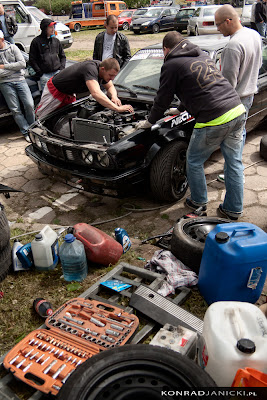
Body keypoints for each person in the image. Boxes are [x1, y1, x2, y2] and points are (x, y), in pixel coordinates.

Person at [135, 31, 246, 220]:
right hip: (237, 110)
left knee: (193, 161)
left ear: (166, 49)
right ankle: (233, 209)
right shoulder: (201, 55)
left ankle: (198, 202)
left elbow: (163, 98)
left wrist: (149, 122)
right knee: (234, 162)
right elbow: (197, 87)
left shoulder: (171, 64)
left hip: (214, 119)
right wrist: (179, 110)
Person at [215, 5, 262, 183]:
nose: (217, 28)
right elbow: (257, 66)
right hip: (249, 95)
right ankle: (233, 170)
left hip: (235, 101)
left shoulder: (232, 47)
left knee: (230, 142)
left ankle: (233, 175)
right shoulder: (253, 34)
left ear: (229, 21)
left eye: (219, 24)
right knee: (240, 135)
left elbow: (227, 85)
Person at [35, 57, 134, 119]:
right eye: (110, 75)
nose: (112, 79)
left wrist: (114, 97)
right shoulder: (91, 69)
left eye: (114, 76)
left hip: (70, 92)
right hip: (56, 90)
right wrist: (117, 108)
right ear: (103, 69)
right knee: (43, 117)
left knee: (68, 116)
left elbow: (110, 86)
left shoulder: (103, 72)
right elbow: (96, 93)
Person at [0, 30, 35, 141]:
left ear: (2, 39)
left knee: (29, 105)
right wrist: (14, 69)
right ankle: (25, 131)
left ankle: (33, 129)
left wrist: (4, 67)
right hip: (5, 83)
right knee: (15, 110)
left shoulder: (13, 48)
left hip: (20, 80)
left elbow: (22, 64)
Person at [29, 18, 66, 91]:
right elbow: (32, 59)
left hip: (57, 73)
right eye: (50, 27)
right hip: (45, 76)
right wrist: (40, 73)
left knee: (61, 94)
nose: (53, 29)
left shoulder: (56, 41)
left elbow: (62, 56)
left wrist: (61, 69)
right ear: (44, 28)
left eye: (53, 27)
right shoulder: (36, 42)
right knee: (48, 97)